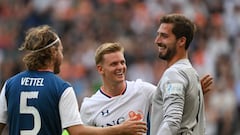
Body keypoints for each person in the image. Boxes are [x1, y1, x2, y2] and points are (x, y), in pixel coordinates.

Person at [0, 25, 147, 135]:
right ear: (53, 52)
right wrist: (120, 129)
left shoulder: (10, 85)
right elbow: (76, 131)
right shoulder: (61, 88)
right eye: (61, 51)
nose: (62, 57)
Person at [80, 42, 213, 134]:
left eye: (122, 62)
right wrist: (120, 129)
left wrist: (191, 93)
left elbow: (171, 102)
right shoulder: (89, 106)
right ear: (100, 69)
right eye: (114, 64)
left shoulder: (142, 90)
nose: (120, 67)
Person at [150, 13, 207, 135]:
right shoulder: (191, 72)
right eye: (158, 35)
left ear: (181, 41)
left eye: (164, 36)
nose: (157, 41)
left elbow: (172, 122)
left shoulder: (174, 74)